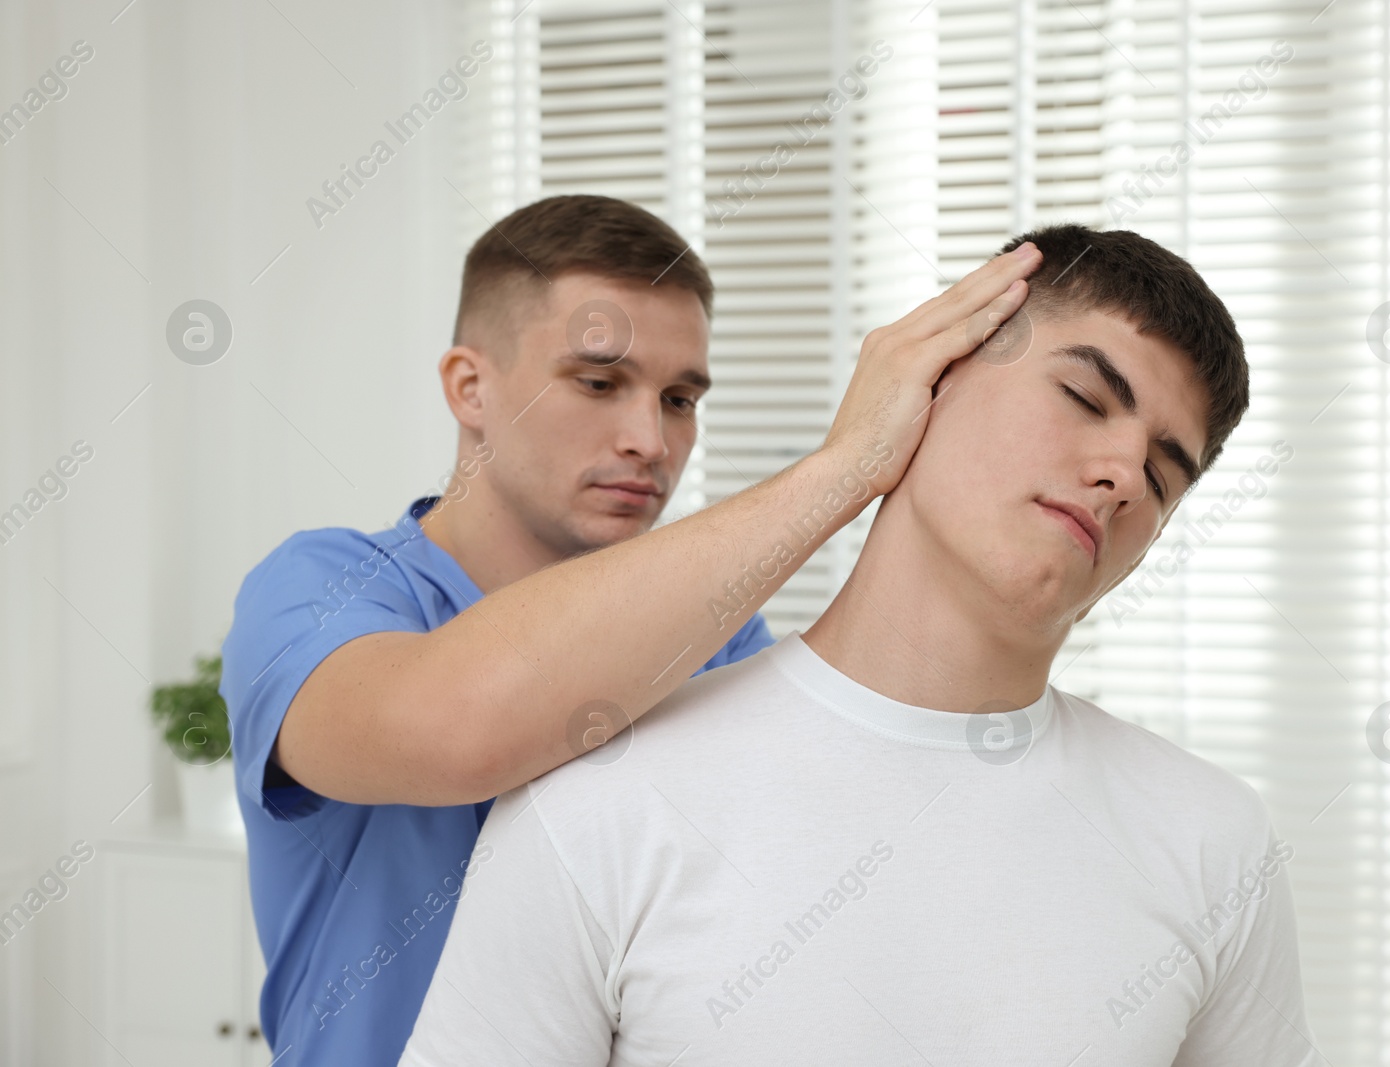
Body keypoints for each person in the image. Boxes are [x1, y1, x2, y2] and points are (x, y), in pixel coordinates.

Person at [399, 223, 1318, 1067]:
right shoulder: (602, 802)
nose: (1122, 474)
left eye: (1163, 475)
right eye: (1082, 397)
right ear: (935, 375)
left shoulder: (1213, 843)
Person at [218, 194, 1042, 1067]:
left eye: (681, 397)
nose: (650, 439)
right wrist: (843, 469)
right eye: (600, 382)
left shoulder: (719, 645)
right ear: (471, 387)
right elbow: (456, 728)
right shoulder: (319, 588)